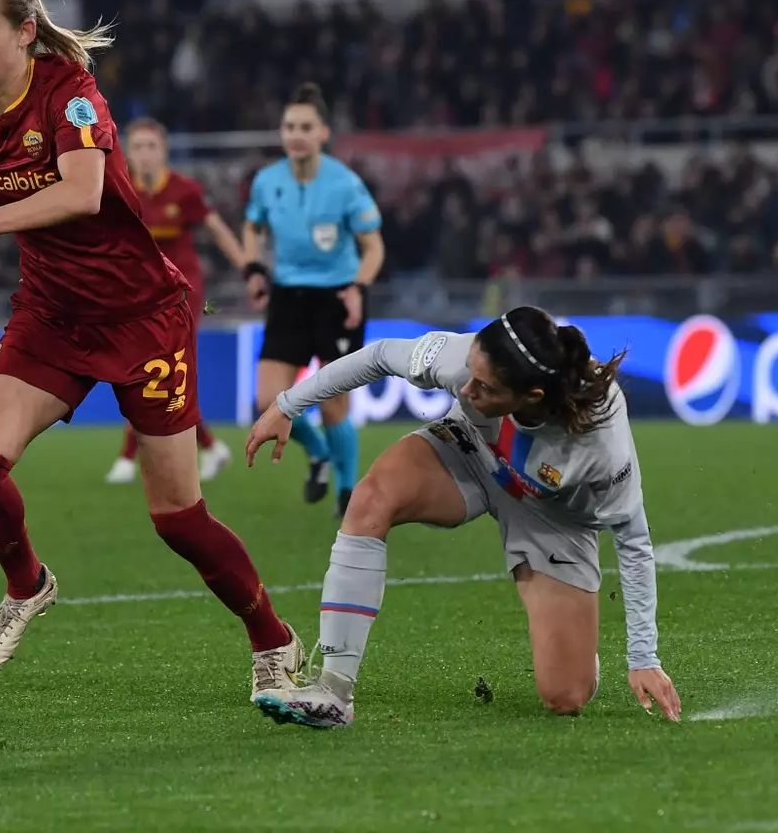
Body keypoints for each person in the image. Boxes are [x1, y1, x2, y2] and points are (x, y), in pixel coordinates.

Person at [0, 0, 305, 705]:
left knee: (178, 520)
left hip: (143, 320)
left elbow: (82, 194)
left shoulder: (71, 96)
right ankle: (28, 584)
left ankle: (272, 639)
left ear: (24, 32)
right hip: (51, 315)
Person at [243, 306, 682, 728]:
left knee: (565, 697)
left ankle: (575, 651)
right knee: (371, 499)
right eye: (470, 372)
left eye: (485, 387)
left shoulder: (601, 439)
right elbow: (379, 356)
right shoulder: (468, 361)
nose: (466, 390)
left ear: (532, 397)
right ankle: (333, 692)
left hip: (554, 519)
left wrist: (644, 658)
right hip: (471, 452)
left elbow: (633, 541)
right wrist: (287, 405)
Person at [241, 84, 384, 517]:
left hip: (337, 298)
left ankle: (346, 491)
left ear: (323, 133)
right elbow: (252, 227)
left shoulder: (345, 184)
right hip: (288, 297)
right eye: (290, 127)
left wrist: (358, 288)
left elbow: (373, 247)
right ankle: (319, 452)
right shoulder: (268, 182)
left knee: (335, 403)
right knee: (267, 401)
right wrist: (254, 269)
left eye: (305, 127)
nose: (296, 135)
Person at [105, 117, 244, 486]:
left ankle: (127, 457)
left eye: (152, 146)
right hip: (140, 293)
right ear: (127, 153)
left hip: (183, 291)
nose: (145, 154)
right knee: (157, 374)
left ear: (164, 151)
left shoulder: (184, 190)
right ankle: (211, 447)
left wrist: (248, 266)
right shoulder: (120, 190)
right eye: (138, 147)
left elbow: (216, 230)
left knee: (158, 368)